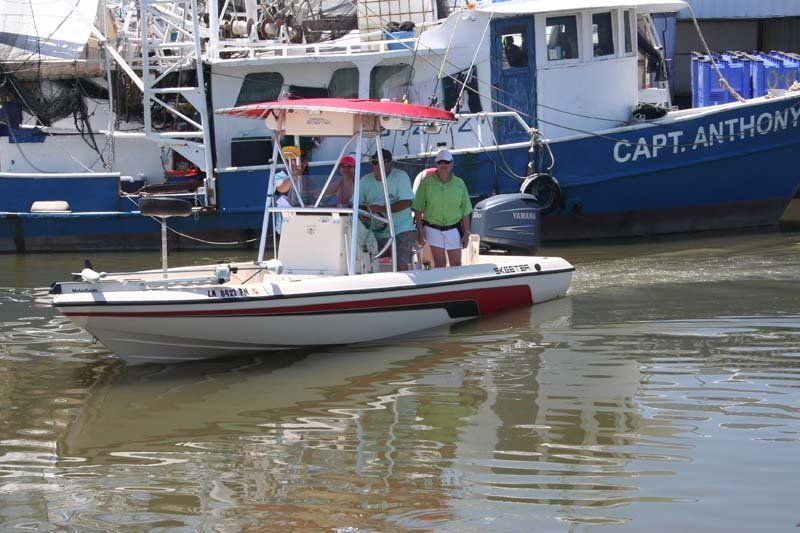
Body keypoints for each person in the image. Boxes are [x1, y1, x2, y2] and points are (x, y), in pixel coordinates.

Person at [412, 149, 472, 268]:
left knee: (456, 264)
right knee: (440, 264)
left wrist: (466, 233)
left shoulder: (460, 184)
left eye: (446, 162)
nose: (443, 165)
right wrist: (420, 232)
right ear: (436, 164)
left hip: (454, 229)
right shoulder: (427, 182)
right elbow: (418, 208)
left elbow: (465, 211)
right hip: (432, 229)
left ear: (452, 164)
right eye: (440, 162)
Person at [359, 148, 416, 271]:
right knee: (358, 256)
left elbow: (406, 202)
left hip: (401, 230)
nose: (377, 166)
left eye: (381, 162)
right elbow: (356, 204)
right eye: (374, 162)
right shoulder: (365, 180)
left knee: (400, 260)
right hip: (373, 232)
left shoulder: (401, 176)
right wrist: (363, 214)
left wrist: (379, 208)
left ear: (390, 162)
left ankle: (404, 281)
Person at [271, 145, 306, 234]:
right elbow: (281, 189)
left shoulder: (306, 177)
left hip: (303, 222)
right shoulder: (278, 176)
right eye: (296, 160)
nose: (301, 163)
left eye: (302, 160)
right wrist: (293, 176)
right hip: (285, 225)